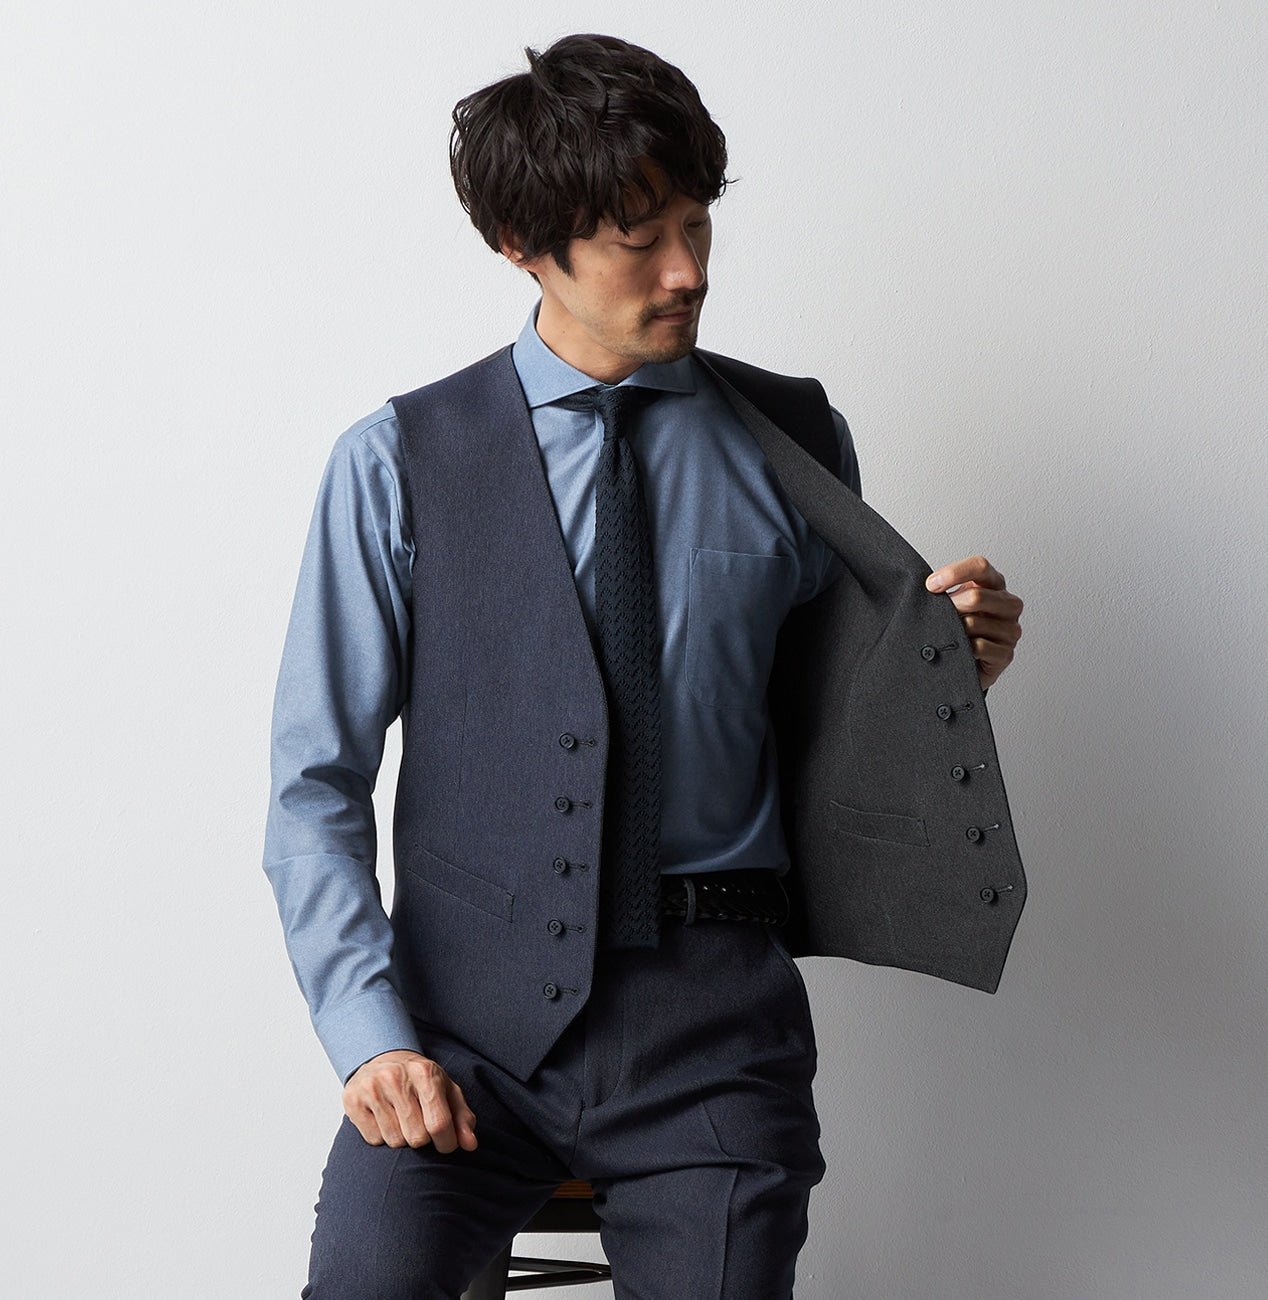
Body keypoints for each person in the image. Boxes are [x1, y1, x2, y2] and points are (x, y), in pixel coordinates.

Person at [263, 32, 1026, 1300]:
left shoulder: (796, 441)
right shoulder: (392, 463)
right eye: (638, 240)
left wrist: (947, 670)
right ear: (521, 244)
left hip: (712, 1037)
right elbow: (313, 786)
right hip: (459, 1036)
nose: (687, 271)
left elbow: (831, 724)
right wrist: (369, 1038)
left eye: (696, 225)